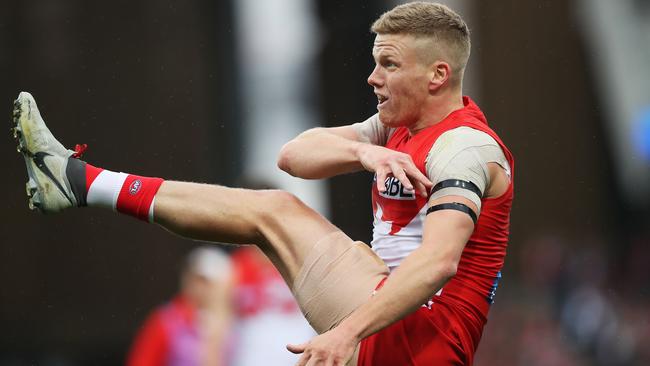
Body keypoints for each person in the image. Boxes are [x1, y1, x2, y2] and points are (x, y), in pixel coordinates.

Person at [12, 2, 514, 365]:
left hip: (418, 336)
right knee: (274, 207)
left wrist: (346, 333)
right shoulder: (396, 128)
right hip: (387, 321)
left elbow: (438, 262)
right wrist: (364, 150)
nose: (371, 78)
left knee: (273, 212)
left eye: (389, 64)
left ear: (437, 76)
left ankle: (80, 182)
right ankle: (78, 182)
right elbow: (293, 155)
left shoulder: (465, 149)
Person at [127, 247, 234, 366]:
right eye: (197, 279)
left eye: (208, 282)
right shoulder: (167, 320)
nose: (201, 288)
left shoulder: (238, 323)